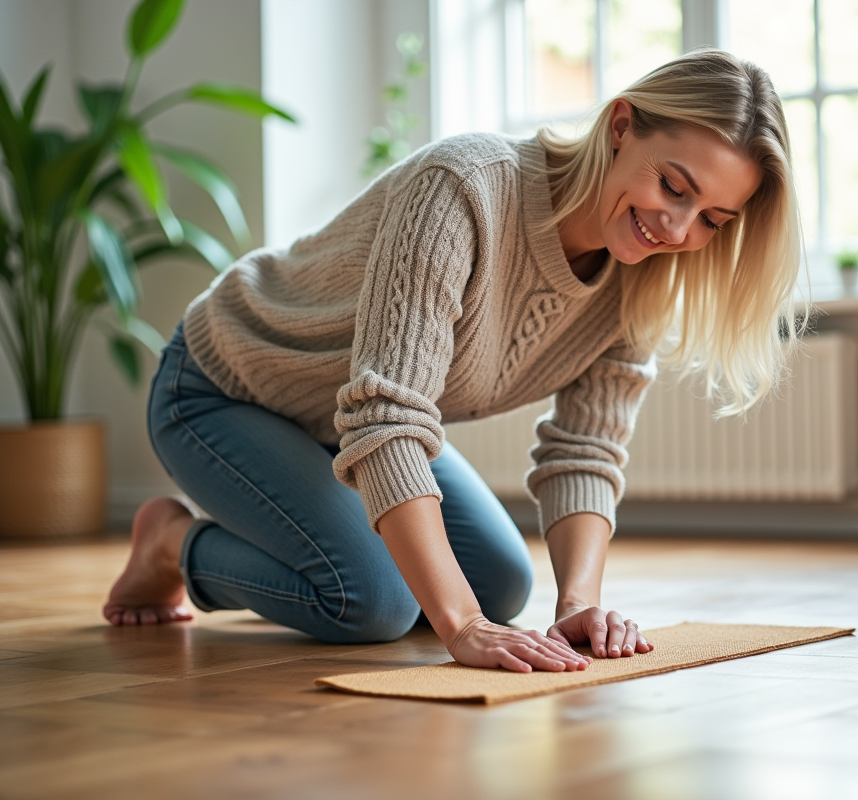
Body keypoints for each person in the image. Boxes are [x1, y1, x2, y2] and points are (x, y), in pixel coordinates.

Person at [102, 48, 806, 674]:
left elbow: (585, 450)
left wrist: (579, 603)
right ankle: (170, 544)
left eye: (713, 219)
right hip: (223, 388)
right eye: (674, 187)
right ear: (621, 127)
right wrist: (461, 627)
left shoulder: (642, 282)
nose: (678, 229)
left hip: (344, 418)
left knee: (500, 585)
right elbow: (387, 419)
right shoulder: (465, 185)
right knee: (371, 602)